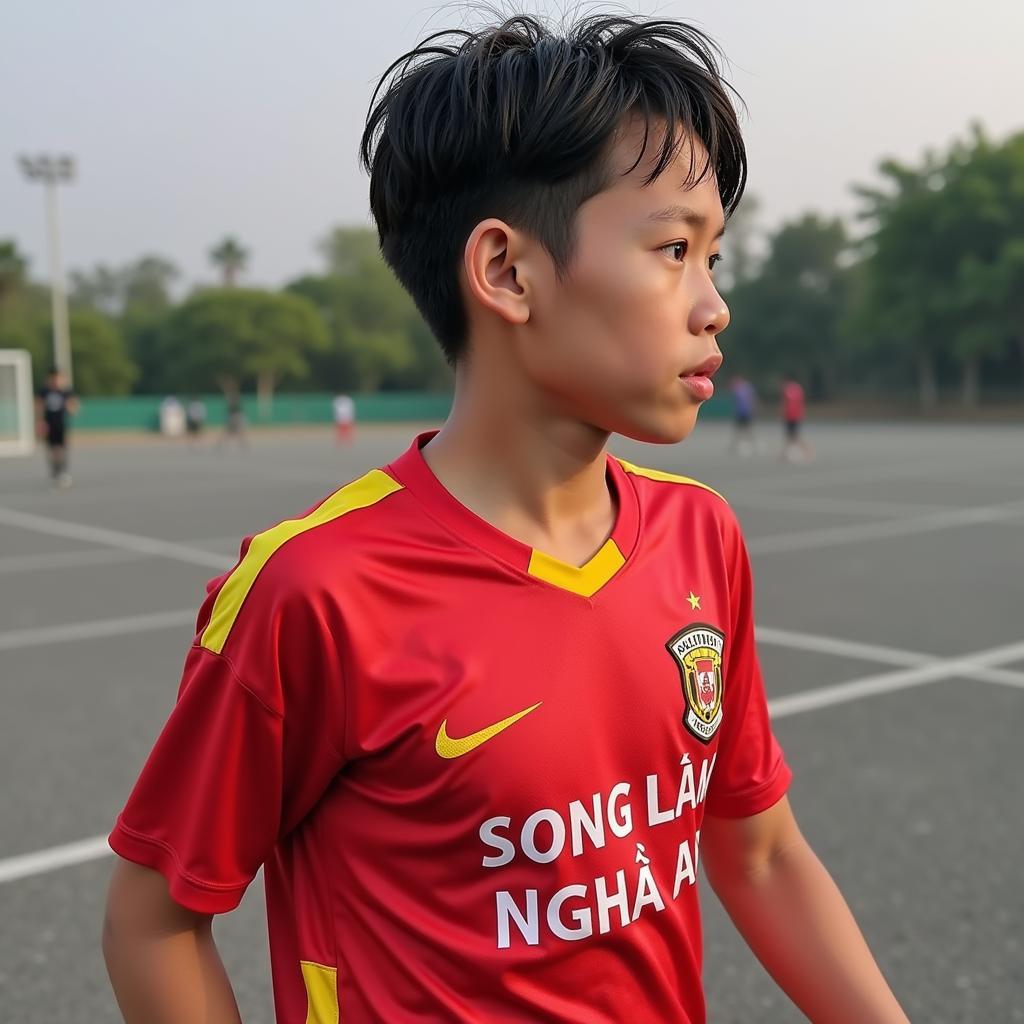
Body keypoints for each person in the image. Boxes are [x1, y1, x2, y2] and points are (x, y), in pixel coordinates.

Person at [103, 14, 908, 1024]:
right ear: (507, 273)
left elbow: (760, 849)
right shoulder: (317, 591)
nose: (713, 306)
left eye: (712, 256)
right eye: (672, 249)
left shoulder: (702, 537)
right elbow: (153, 918)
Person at [35, 368, 78, 487]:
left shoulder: (66, 392)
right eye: (54, 378)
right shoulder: (44, 392)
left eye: (58, 378)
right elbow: (39, 406)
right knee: (52, 450)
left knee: (62, 449)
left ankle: (63, 472)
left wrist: (71, 407)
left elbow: (73, 407)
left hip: (61, 424)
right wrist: (40, 422)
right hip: (49, 425)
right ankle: (55, 471)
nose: (56, 381)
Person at [781, 373, 813, 462]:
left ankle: (808, 451)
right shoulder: (798, 388)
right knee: (790, 436)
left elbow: (787, 404)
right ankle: (784, 454)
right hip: (795, 415)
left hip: (792, 416)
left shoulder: (788, 389)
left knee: (794, 436)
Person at [728, 374, 757, 455]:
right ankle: (735, 444)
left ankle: (752, 443)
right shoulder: (737, 389)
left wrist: (753, 408)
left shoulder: (747, 387)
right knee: (738, 429)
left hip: (746, 411)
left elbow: (752, 398)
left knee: (748, 429)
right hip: (740, 412)